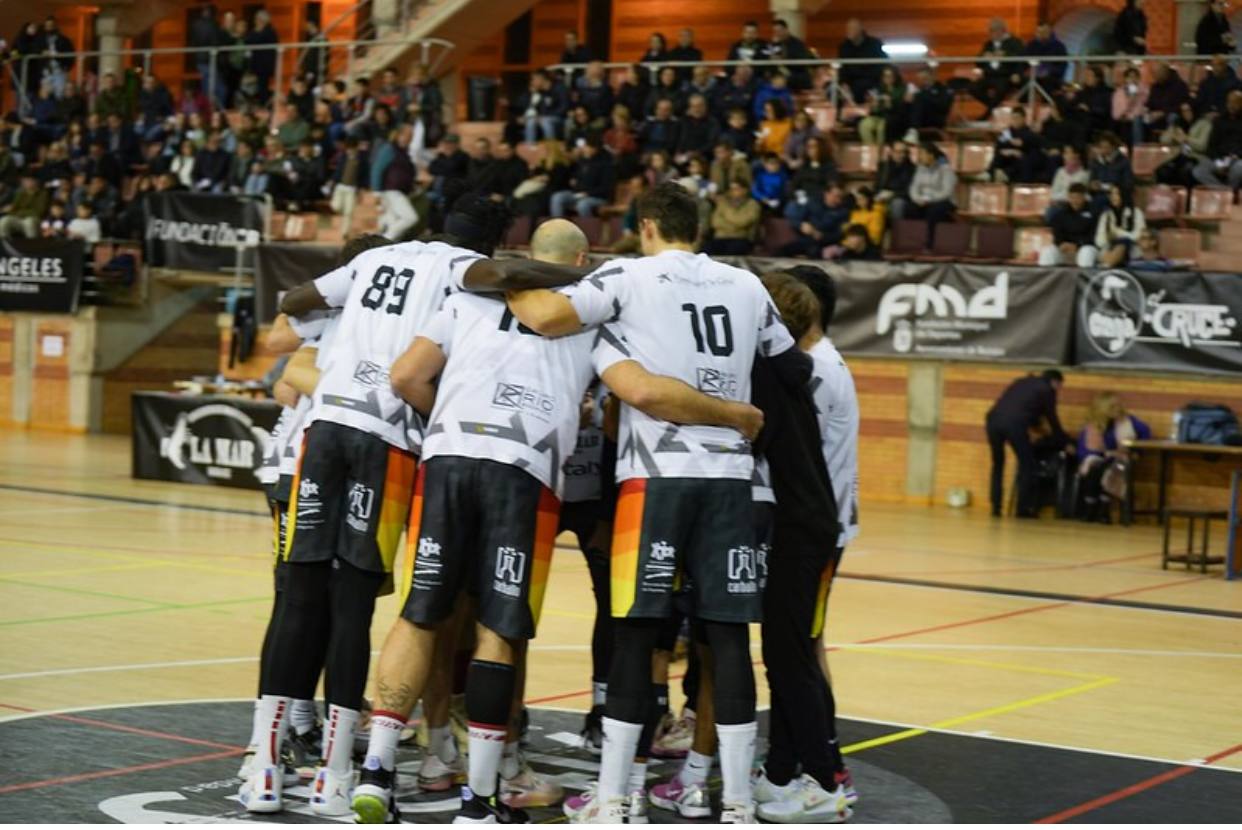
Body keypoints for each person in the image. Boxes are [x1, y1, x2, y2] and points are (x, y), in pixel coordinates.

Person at [261, 196, 593, 819]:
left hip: (413, 454)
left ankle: (367, 766)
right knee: (489, 624)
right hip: (505, 465)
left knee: (409, 612)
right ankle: (480, 783)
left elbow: (310, 335)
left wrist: (440, 414)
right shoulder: (546, 296)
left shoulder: (431, 288)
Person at [506, 183, 800, 824]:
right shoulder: (747, 284)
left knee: (637, 636)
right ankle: (737, 804)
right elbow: (791, 368)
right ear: (699, 226)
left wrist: (500, 276)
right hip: (731, 478)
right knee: (728, 639)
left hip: (654, 479)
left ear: (645, 227)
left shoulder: (626, 278)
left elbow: (546, 318)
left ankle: (615, 799)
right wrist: (743, 412)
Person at [750, 268, 858, 823]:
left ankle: (827, 777)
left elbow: (774, 442)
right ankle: (784, 769)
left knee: (796, 657)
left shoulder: (813, 371)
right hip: (812, 525)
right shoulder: (813, 364)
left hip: (809, 529)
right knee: (792, 653)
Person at [985, 369, 1070, 518]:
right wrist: (1064, 441)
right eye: (1059, 387)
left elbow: (1022, 407)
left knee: (998, 464)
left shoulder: (1022, 381)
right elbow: (1052, 418)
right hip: (1015, 425)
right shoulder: (1047, 390)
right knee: (1027, 464)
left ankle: (995, 507)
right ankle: (1023, 509)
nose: (1058, 390)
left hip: (993, 421)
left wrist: (1037, 426)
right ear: (1055, 382)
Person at [1076, 392, 1151, 523]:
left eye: (1118, 405)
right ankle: (1095, 507)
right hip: (1099, 457)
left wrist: (1137, 451)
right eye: (1113, 406)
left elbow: (1145, 432)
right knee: (1096, 468)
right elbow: (1085, 448)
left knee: (1109, 469)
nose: (1118, 409)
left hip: (1120, 458)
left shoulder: (1128, 421)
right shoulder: (1094, 425)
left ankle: (1100, 509)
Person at [780, 183, 852, 258]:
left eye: (841, 198)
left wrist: (822, 236)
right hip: (805, 240)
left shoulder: (843, 212)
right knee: (782, 251)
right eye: (835, 196)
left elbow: (839, 234)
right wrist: (801, 225)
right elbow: (794, 219)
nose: (838, 200)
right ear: (826, 193)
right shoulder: (813, 202)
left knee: (813, 251)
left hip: (825, 245)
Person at [907, 141, 957, 247]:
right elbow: (914, 187)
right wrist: (917, 198)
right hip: (923, 200)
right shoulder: (920, 169)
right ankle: (912, 242)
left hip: (942, 200)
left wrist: (929, 200)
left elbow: (946, 192)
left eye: (922, 154)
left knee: (933, 211)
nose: (920, 157)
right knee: (909, 208)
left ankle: (930, 242)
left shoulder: (946, 169)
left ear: (931, 155)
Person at [550, 137, 615, 217]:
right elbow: (576, 175)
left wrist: (587, 193)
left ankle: (588, 225)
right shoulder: (583, 161)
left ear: (594, 148)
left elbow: (606, 187)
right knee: (557, 197)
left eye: (586, 147)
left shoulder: (605, 165)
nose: (584, 149)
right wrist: (573, 179)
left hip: (597, 197)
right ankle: (558, 223)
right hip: (578, 193)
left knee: (583, 205)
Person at [974, 19, 1026, 116]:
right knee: (973, 88)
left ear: (1003, 30)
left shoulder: (1014, 42)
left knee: (1001, 89)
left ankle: (987, 114)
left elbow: (1021, 59)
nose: (993, 33)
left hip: (1005, 76)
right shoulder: (988, 44)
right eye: (991, 31)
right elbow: (977, 62)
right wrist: (984, 57)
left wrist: (1005, 56)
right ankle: (994, 107)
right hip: (989, 75)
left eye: (996, 30)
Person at [1193, 89, 1242, 189]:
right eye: (1229, 102)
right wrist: (1218, 162)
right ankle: (1225, 191)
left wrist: (1235, 156)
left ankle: (1230, 191)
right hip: (1218, 158)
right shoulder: (1219, 121)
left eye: (1236, 102)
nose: (1232, 105)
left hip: (1237, 159)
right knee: (1198, 171)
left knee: (1239, 168)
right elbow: (1211, 146)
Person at [1039, 183, 1097, 266]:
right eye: (1072, 197)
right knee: (1048, 252)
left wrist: (1077, 245)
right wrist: (1061, 244)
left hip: (1084, 247)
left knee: (1086, 252)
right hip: (1065, 249)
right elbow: (1057, 233)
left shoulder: (1093, 213)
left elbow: (1093, 235)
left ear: (1084, 197)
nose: (1075, 201)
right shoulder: (1061, 214)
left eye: (1078, 197)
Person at [1095, 183, 1146, 267]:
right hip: (1109, 248)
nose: (1113, 197)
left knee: (1122, 244)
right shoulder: (1106, 215)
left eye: (1116, 194)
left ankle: (1107, 265)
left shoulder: (1136, 212)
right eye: (1111, 194)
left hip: (1131, 249)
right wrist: (1109, 239)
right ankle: (1109, 263)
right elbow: (1099, 240)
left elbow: (1139, 236)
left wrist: (1118, 232)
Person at [837, 18, 886, 105]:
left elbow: (882, 66)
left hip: (871, 81)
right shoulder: (844, 47)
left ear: (860, 29)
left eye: (852, 28)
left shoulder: (874, 44)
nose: (849, 31)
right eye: (848, 28)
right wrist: (844, 83)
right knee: (833, 88)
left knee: (861, 87)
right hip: (850, 83)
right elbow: (842, 68)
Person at [989, 106, 1045, 183]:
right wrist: (1010, 151)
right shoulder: (1007, 133)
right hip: (1007, 160)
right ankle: (991, 174)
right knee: (998, 155)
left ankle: (1005, 175)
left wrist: (1019, 148)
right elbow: (999, 146)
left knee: (1025, 160)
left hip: (1022, 164)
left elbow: (1032, 147)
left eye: (1017, 118)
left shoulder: (1030, 133)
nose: (1015, 121)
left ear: (1024, 118)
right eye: (1013, 118)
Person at [705, 179, 761, 255]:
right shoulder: (723, 202)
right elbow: (715, 222)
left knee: (732, 251)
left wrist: (726, 211)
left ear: (745, 190)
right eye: (731, 189)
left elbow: (742, 222)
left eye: (736, 188)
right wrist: (734, 226)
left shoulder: (752, 204)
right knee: (706, 250)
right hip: (720, 238)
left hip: (740, 238)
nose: (732, 191)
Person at [858, 66, 906, 147]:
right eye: (885, 76)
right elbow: (873, 107)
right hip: (877, 115)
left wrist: (889, 103)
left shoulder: (901, 89)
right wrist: (874, 104)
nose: (887, 78)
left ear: (895, 77)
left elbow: (900, 107)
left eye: (890, 76)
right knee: (864, 124)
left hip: (891, 117)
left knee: (881, 128)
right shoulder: (879, 88)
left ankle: (880, 150)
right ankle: (871, 147)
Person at [1087, 132, 1133, 212]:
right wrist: (1092, 186)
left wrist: (1115, 188)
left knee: (1100, 202)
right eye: (1101, 147)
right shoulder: (1096, 162)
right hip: (1099, 195)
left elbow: (1128, 184)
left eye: (1106, 147)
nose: (1104, 150)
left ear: (1113, 147)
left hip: (1118, 195)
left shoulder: (1123, 162)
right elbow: (1091, 181)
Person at [769, 19, 814, 91]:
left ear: (786, 30)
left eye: (779, 31)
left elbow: (801, 61)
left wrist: (783, 59)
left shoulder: (797, 43)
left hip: (796, 73)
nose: (778, 34)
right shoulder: (775, 44)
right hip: (780, 73)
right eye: (775, 32)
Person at [875, 140, 915, 217]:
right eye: (898, 152)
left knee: (897, 204)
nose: (902, 155)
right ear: (891, 152)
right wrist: (879, 194)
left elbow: (909, 191)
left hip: (901, 199)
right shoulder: (883, 166)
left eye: (904, 152)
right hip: (882, 197)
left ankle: (897, 225)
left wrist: (892, 194)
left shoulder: (911, 169)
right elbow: (877, 186)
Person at [0, 174, 48, 239]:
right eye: (25, 180)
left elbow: (38, 211)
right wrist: (14, 211)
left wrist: (19, 212)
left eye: (28, 180)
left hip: (35, 218)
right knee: (4, 220)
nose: (25, 182)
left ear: (35, 181)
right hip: (18, 218)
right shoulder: (20, 193)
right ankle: (5, 244)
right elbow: (13, 209)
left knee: (29, 222)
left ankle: (33, 244)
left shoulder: (43, 194)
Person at [1111, 67, 1149, 148]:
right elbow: (1116, 114)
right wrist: (1130, 100)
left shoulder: (1145, 91)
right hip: (1124, 119)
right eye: (1130, 77)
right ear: (1125, 79)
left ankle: (1137, 148)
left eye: (1135, 77)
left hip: (1141, 119)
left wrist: (1138, 94)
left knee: (1137, 120)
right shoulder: (1118, 93)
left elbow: (1146, 107)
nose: (1133, 80)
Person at [1025, 21, 1068, 93]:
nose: (1040, 34)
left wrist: (1048, 71)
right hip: (1033, 74)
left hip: (1051, 76)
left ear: (1049, 31)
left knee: (1048, 83)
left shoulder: (1059, 46)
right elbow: (1025, 60)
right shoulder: (1031, 45)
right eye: (1038, 32)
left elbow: (1062, 66)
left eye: (1043, 32)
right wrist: (1027, 70)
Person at [907, 67, 951, 131]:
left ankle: (913, 128)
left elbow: (942, 106)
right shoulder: (921, 90)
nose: (922, 81)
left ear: (932, 77)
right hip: (919, 123)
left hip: (935, 123)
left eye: (925, 78)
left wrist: (921, 95)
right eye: (920, 79)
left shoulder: (943, 89)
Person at [245, 10, 279, 93]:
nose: (255, 21)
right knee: (256, 87)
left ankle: (264, 100)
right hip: (256, 64)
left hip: (264, 66)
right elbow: (247, 40)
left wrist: (257, 31)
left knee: (262, 87)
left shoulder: (270, 31)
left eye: (257, 19)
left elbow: (255, 40)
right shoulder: (254, 31)